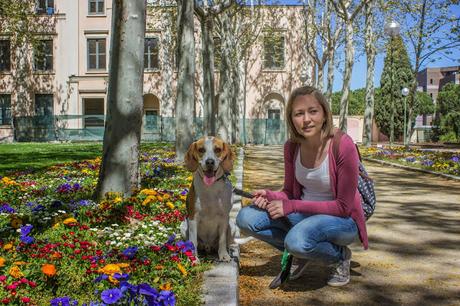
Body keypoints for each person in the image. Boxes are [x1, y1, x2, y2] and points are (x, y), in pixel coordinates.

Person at [236, 85, 368, 287]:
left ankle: (339, 256)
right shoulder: (292, 147)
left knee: (297, 241)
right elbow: (289, 192)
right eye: (299, 113)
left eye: (313, 111)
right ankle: (304, 251)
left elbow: (343, 207)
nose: (306, 119)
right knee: (246, 218)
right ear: (291, 119)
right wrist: (270, 195)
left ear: (324, 114)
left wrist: (292, 206)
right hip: (302, 215)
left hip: (341, 221)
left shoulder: (343, 145)